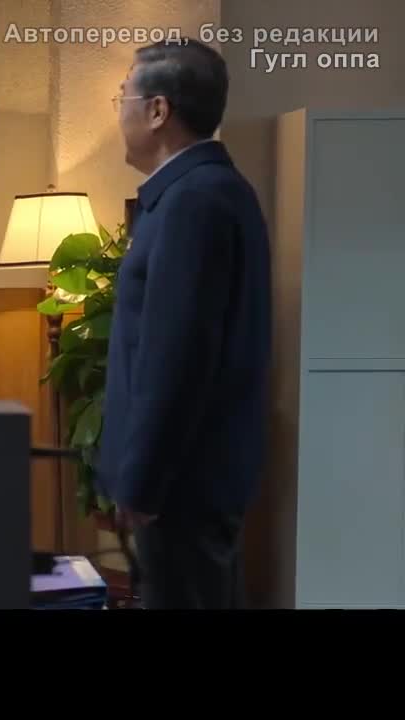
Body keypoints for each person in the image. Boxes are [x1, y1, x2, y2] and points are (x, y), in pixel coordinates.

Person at [99, 38, 271, 609]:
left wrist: (143, 483)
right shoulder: (197, 192)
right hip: (187, 479)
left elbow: (177, 357)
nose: (118, 111)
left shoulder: (194, 201)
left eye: (122, 96)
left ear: (158, 110)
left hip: (182, 486)